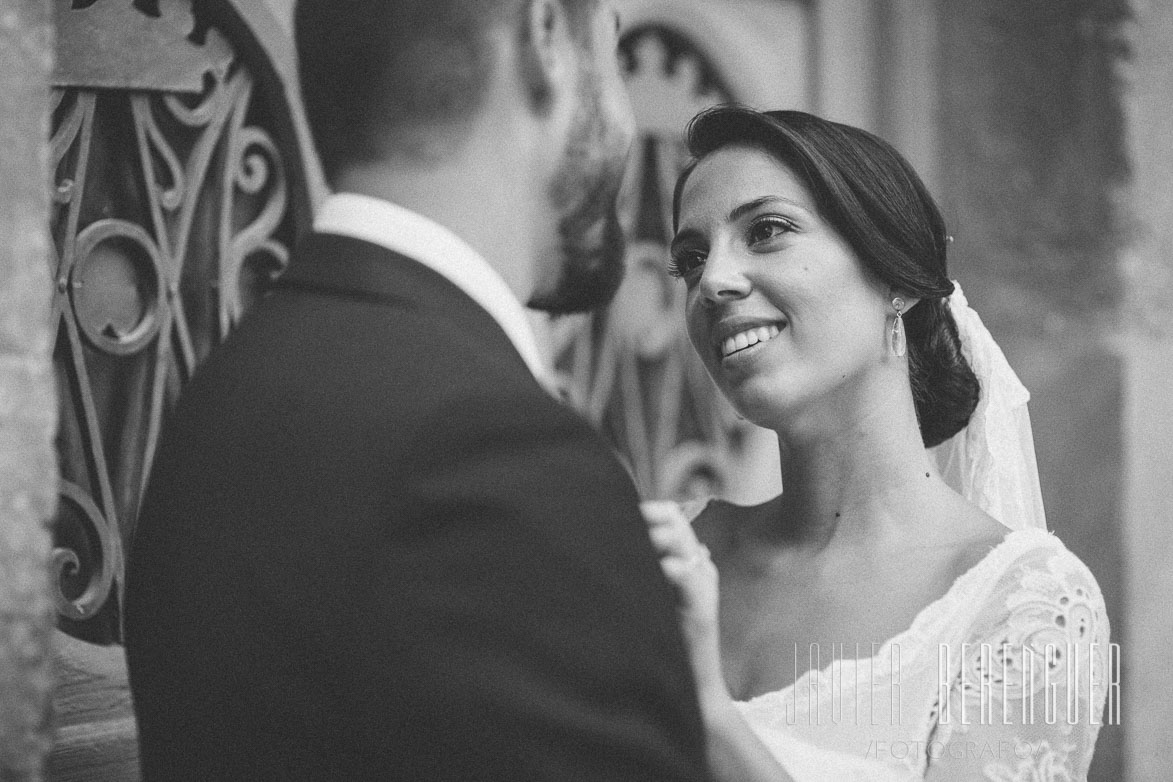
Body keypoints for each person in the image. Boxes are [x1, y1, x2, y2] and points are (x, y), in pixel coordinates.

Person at [124, 2, 713, 779]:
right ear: (544, 37)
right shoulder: (500, 455)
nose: (627, 120)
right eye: (608, 46)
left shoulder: (217, 403)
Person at [645, 106, 1111, 781]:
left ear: (893, 275)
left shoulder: (1023, 604)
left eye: (766, 230)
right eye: (690, 260)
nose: (712, 282)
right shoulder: (668, 559)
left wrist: (711, 720)